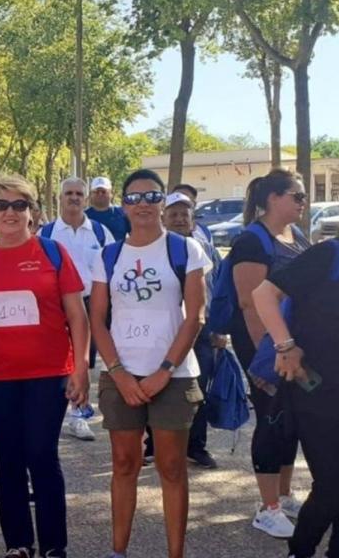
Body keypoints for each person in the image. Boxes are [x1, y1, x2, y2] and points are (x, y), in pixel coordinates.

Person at [89, 169, 210, 558]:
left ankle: (175, 553)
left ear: (163, 202)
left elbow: (196, 316)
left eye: (152, 197)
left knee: (172, 468)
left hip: (173, 375)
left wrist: (165, 370)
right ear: (123, 205)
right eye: (135, 198)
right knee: (124, 464)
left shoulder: (185, 249)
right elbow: (97, 319)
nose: (143, 204)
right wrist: (120, 373)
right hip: (121, 374)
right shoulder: (107, 255)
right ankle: (117, 551)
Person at [0, 175, 90, 558]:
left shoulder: (53, 253)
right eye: (1, 205)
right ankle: (18, 543)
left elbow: (78, 315)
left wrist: (82, 366)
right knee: (7, 458)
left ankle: (54, 545)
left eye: (19, 205)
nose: (10, 212)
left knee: (41, 453)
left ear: (32, 211)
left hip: (49, 372)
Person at [252, 183, 339, 558]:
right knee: (334, 484)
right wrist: (286, 345)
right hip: (319, 393)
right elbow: (264, 294)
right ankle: (301, 549)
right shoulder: (329, 255)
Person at [229, 168, 310, 539]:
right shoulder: (252, 240)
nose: (303, 203)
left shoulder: (295, 235)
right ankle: (268, 507)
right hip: (266, 347)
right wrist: (272, 354)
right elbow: (249, 303)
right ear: (274, 198)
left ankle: (284, 494)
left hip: (290, 345)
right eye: (297, 196)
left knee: (291, 422)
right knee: (271, 419)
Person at [148, 192, 222, 470]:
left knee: (197, 390)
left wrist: (219, 328)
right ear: (164, 218)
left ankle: (196, 446)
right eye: (173, 214)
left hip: (200, 331)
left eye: (184, 214)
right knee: (156, 384)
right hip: (163, 331)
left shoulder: (203, 247)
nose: (179, 219)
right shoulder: (155, 248)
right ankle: (153, 445)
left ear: (192, 219)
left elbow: (217, 288)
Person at [42, 178, 115, 442]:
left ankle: (78, 413)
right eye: (68, 193)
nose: (74, 198)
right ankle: (67, 413)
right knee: (61, 361)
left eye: (78, 194)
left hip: (89, 303)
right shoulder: (47, 233)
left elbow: (110, 268)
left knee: (84, 361)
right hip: (57, 306)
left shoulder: (100, 231)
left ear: (85, 198)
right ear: (59, 197)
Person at [86, 176, 130, 242]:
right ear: (91, 194)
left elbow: (134, 236)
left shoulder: (123, 214)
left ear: (111, 193)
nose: (100, 194)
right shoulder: (84, 216)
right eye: (97, 191)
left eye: (104, 191)